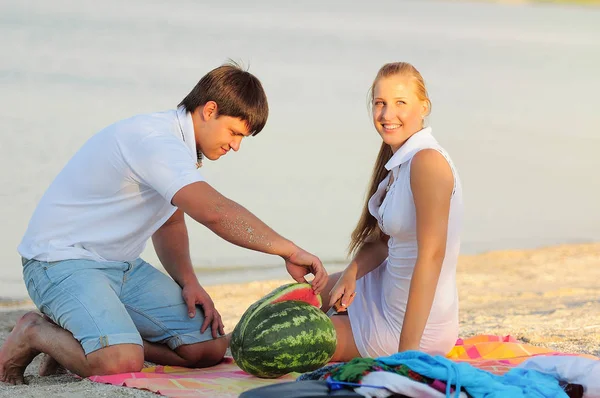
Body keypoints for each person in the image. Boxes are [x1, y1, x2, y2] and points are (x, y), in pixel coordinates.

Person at [0, 62, 328, 385]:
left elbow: (170, 224)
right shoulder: (155, 141)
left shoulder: (180, 150)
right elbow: (215, 212)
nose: (236, 145)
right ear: (209, 110)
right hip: (60, 262)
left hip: (121, 267)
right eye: (234, 132)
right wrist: (288, 250)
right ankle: (35, 331)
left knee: (208, 347)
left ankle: (86, 338)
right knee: (120, 361)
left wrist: (189, 282)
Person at [322, 62, 463, 361]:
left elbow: (432, 256)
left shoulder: (427, 162)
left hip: (411, 326)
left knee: (287, 339)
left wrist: (407, 355)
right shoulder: (401, 161)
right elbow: (386, 241)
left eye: (400, 103)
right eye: (380, 103)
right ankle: (222, 344)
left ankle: (216, 349)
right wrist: (351, 272)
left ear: (424, 107)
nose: (387, 115)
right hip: (381, 292)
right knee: (296, 299)